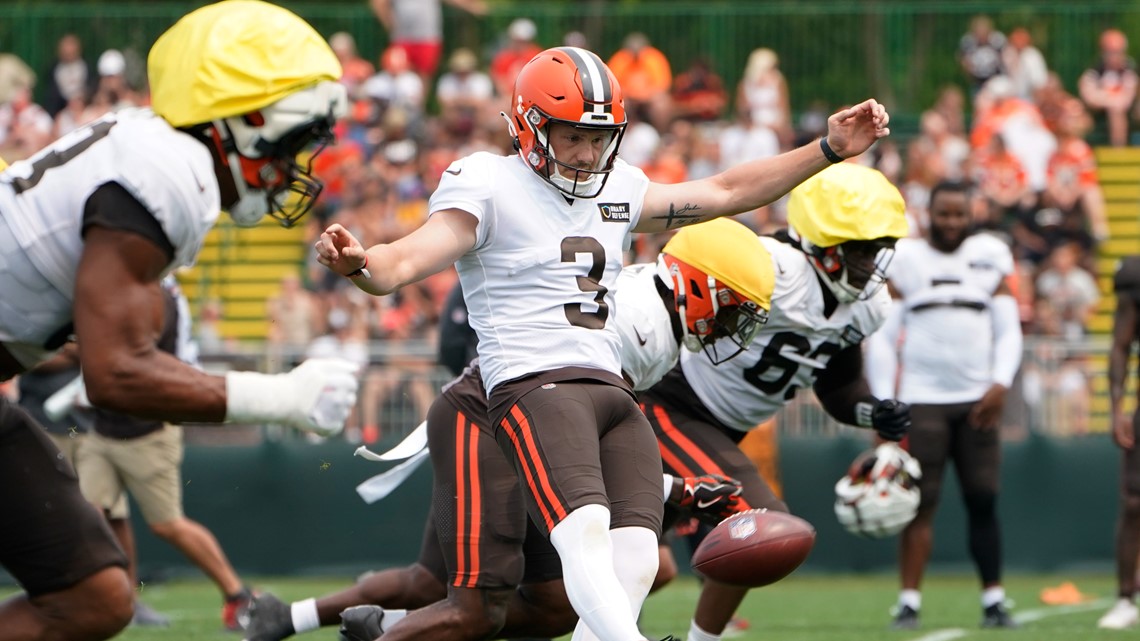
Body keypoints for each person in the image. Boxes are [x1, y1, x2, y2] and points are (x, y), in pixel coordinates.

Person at [315, 45, 888, 641]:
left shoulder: (617, 188)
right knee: (583, 531)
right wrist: (364, 265)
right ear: (530, 125)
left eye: (599, 137)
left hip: (611, 391)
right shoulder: (487, 181)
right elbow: (407, 257)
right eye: (572, 137)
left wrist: (827, 151)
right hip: (536, 383)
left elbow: (723, 191)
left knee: (638, 557)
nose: (588, 154)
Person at [0, 3, 360, 640]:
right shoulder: (169, 172)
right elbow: (115, 373)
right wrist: (282, 396)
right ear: (249, 121)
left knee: (95, 597)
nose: (298, 166)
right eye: (295, 142)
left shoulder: (156, 152)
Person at [248, 217, 774, 641]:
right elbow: (577, 442)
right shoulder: (641, 325)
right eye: (731, 306)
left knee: (545, 604)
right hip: (486, 423)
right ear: (694, 284)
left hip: (512, 423)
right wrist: (678, 489)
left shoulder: (654, 315)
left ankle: (318, 620)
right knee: (477, 608)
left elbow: (582, 438)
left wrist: (676, 490)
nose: (733, 326)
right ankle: (384, 627)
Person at [639, 163, 912, 641]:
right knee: (759, 520)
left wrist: (874, 412)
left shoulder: (867, 305)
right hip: (671, 404)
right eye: (859, 249)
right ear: (821, 241)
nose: (869, 265)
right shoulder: (771, 267)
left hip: (723, 429)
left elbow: (839, 388)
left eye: (877, 251)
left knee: (642, 563)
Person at [866, 180, 1023, 630]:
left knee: (983, 499)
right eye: (944, 214)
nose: (952, 222)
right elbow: (881, 337)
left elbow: (1009, 328)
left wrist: (1000, 382)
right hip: (923, 400)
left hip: (977, 401)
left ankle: (994, 600)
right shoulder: (907, 258)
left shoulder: (990, 253)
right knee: (920, 503)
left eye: (959, 214)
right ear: (928, 214)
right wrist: (885, 401)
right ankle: (909, 602)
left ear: (971, 215)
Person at [76, 279, 255, 631]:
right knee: (89, 514)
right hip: (102, 429)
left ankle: (238, 594)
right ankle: (118, 598)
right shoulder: (130, 284)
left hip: (147, 432)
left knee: (168, 524)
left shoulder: (156, 296)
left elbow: (130, 357)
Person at [1098, 255, 1140, 629]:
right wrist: (1116, 407)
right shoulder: (1135, 274)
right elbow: (1120, 344)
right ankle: (1127, 598)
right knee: (1134, 502)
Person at [1078, 29, 1138, 147]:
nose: (1114, 56)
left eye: (1118, 52)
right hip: (1097, 115)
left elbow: (1128, 98)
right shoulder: (1093, 73)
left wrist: (1107, 98)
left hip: (1128, 114)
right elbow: (1089, 98)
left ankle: (1119, 151)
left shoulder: (1130, 71)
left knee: (1117, 111)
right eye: (1110, 52)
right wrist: (1111, 100)